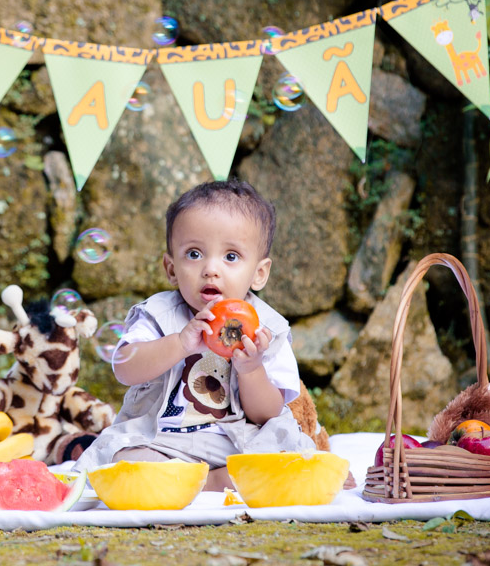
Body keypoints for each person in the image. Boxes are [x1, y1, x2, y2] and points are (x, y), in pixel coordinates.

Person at [74, 179, 314, 491]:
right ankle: (204, 482)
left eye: (230, 257)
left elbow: (267, 413)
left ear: (259, 273)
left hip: (236, 444)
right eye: (194, 253)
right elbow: (124, 368)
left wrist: (251, 369)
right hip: (162, 442)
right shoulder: (159, 315)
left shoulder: (268, 329)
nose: (211, 269)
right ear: (171, 269)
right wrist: (179, 343)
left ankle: (207, 481)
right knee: (123, 459)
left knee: (281, 457)